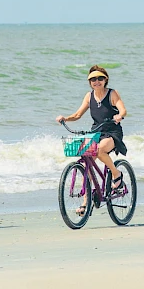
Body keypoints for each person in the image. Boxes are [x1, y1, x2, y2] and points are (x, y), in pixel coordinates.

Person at [56, 65, 128, 211]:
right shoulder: (89, 96)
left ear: (105, 80)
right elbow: (77, 115)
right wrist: (65, 118)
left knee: (100, 150)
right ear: (89, 82)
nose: (97, 81)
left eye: (100, 78)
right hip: (96, 132)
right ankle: (85, 202)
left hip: (112, 132)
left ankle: (116, 174)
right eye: (93, 79)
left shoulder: (112, 93)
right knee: (86, 166)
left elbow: (123, 109)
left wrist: (119, 116)